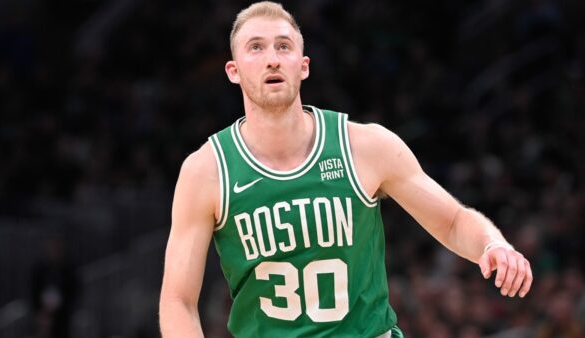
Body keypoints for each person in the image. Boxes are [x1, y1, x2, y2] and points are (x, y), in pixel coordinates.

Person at [158, 2, 533, 337]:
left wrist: (493, 243)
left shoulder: (365, 147)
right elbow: (178, 302)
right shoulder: (206, 171)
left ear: (303, 67)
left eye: (284, 47)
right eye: (255, 47)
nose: (272, 58)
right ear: (233, 71)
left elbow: (452, 221)